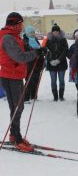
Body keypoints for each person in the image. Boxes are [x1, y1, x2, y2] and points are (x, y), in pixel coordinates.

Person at [0, 12, 44, 151]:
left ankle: (14, 135)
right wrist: (35, 53)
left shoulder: (14, 37)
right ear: (15, 24)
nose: (22, 26)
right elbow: (19, 57)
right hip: (10, 76)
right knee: (18, 107)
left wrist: (40, 51)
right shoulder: (8, 38)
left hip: (15, 75)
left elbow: (24, 50)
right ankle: (16, 138)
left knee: (16, 107)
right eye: (21, 23)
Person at [45, 23, 68, 101]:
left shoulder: (63, 40)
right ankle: (55, 96)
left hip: (61, 63)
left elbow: (65, 51)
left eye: (57, 31)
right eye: (54, 31)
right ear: (52, 32)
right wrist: (51, 60)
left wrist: (58, 60)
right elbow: (46, 52)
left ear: (59, 32)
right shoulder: (48, 40)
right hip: (52, 64)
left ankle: (61, 96)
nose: (55, 33)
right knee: (53, 80)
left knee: (61, 80)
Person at [23, 25, 45, 103]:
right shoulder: (25, 41)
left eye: (33, 32)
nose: (33, 34)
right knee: (29, 81)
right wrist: (37, 51)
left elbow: (39, 49)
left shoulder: (35, 39)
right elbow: (28, 50)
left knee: (36, 80)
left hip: (37, 63)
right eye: (31, 32)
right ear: (27, 33)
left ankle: (33, 96)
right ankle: (26, 98)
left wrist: (42, 53)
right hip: (30, 64)